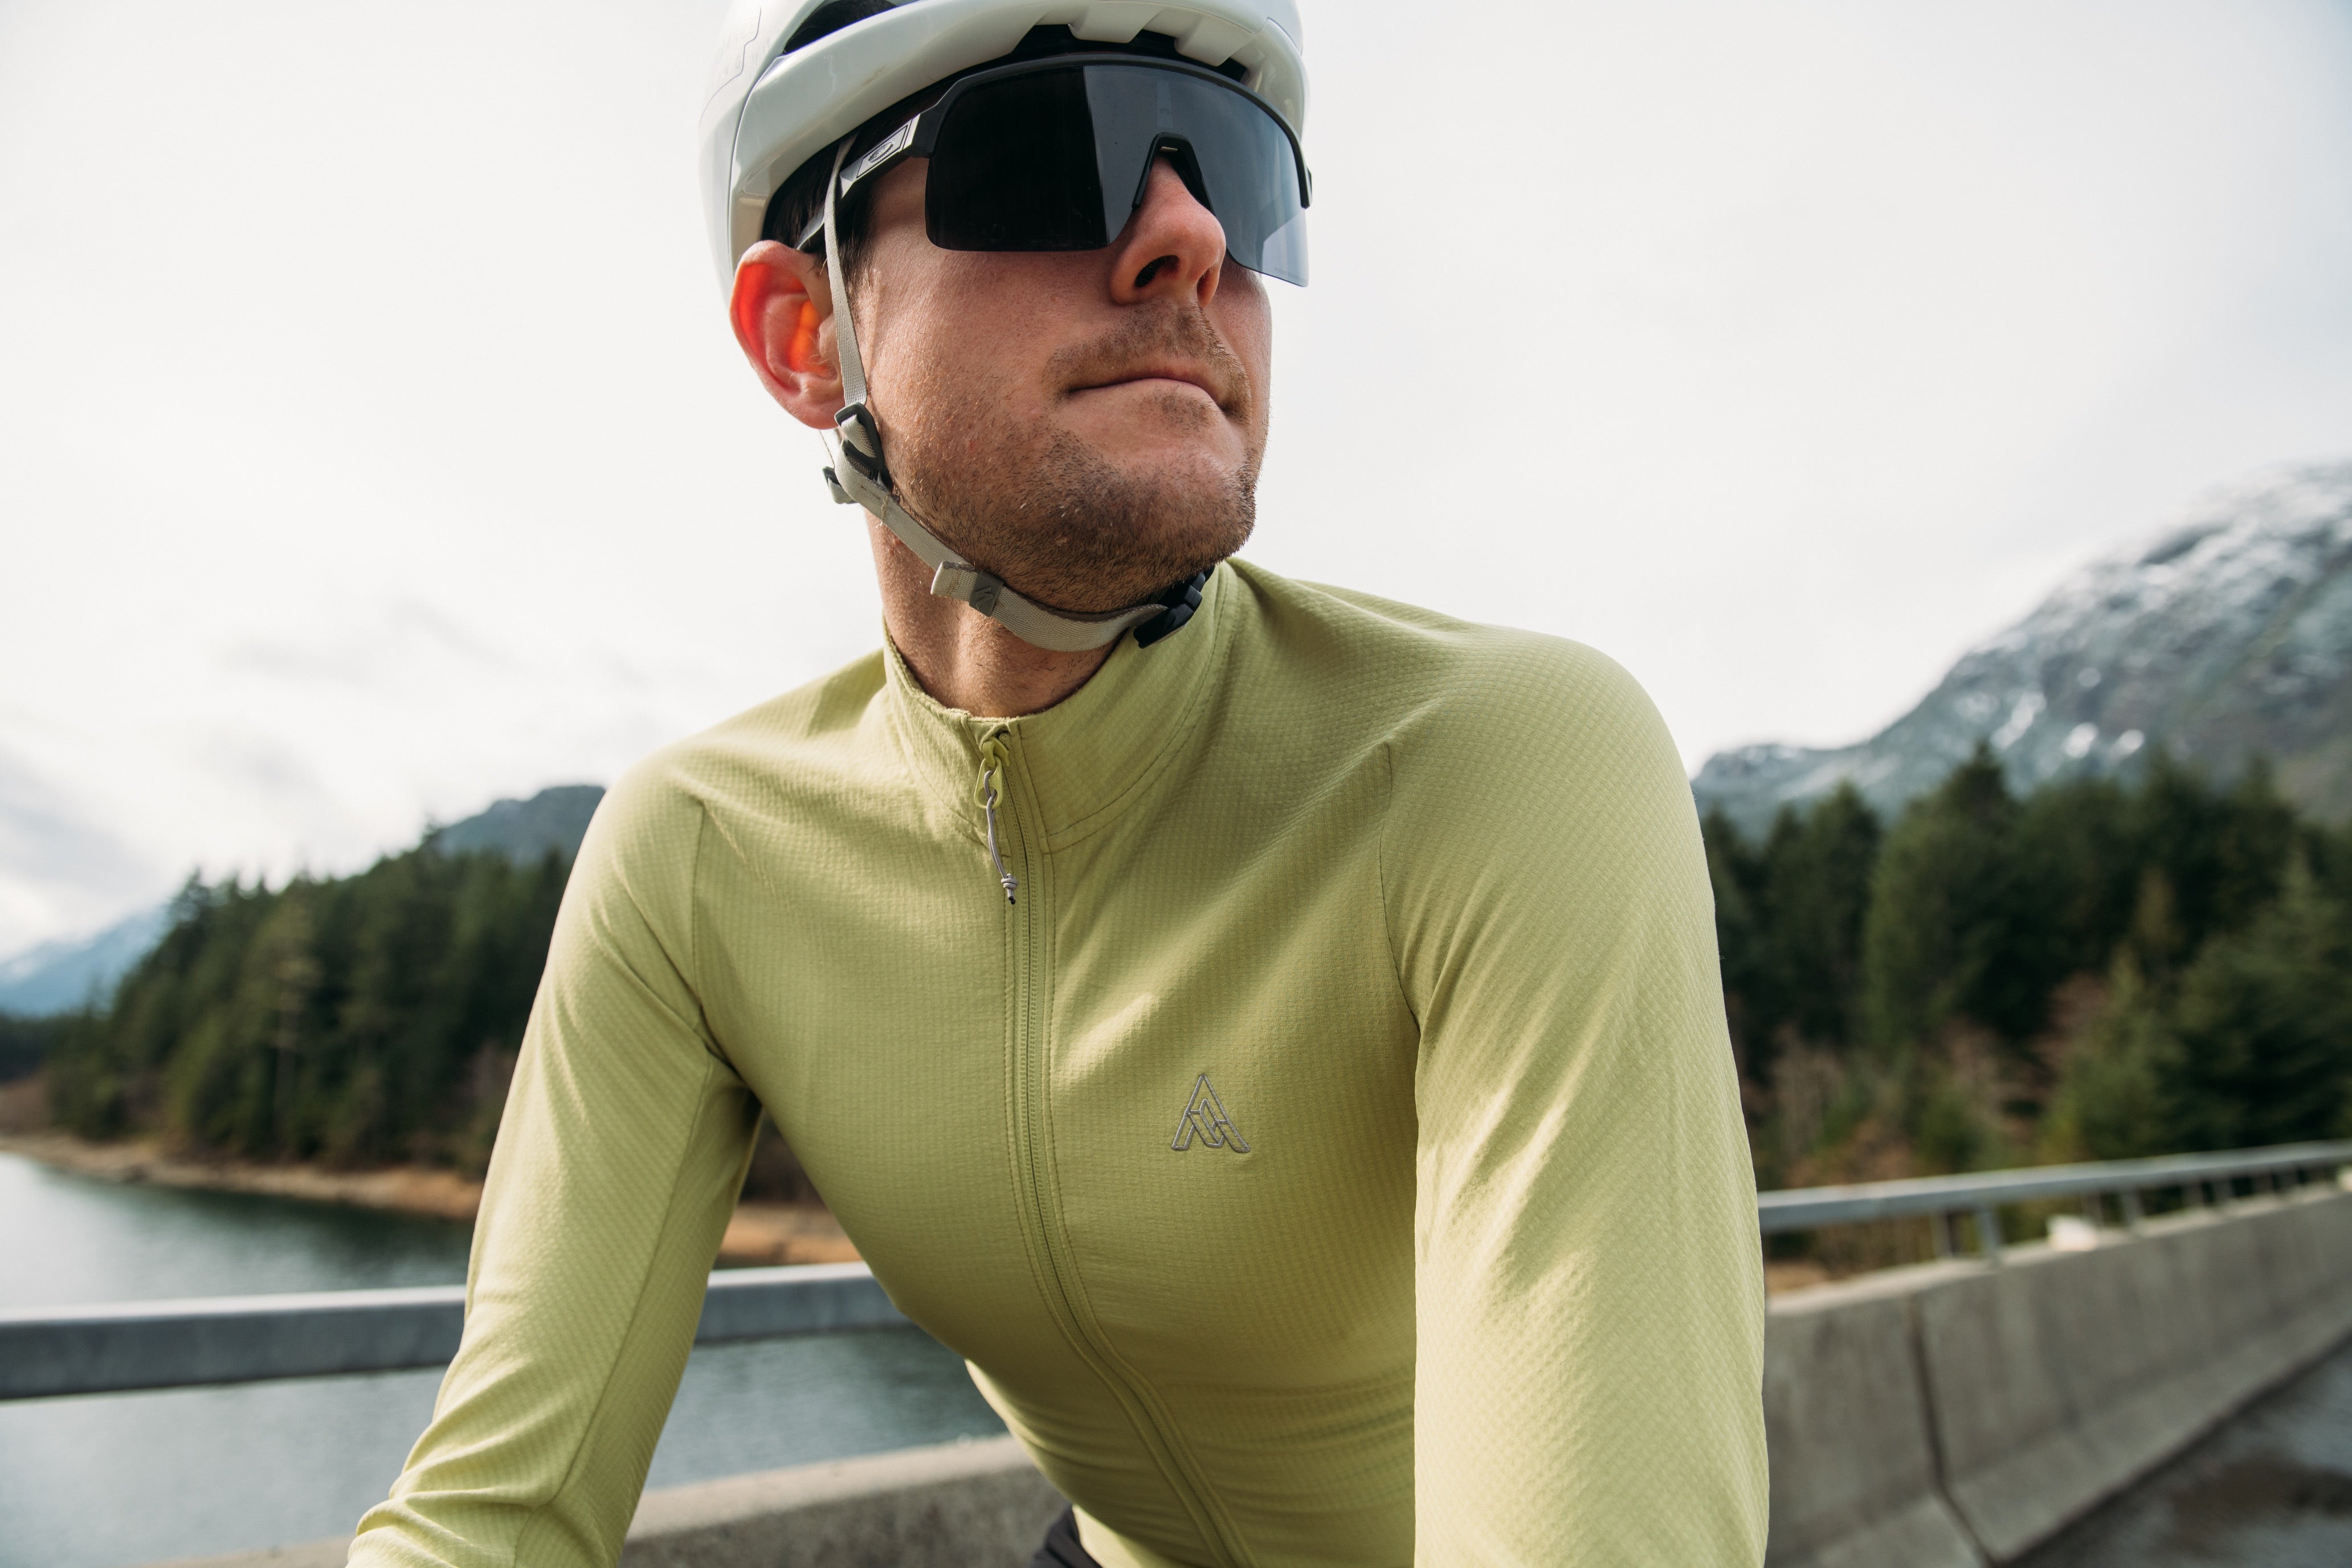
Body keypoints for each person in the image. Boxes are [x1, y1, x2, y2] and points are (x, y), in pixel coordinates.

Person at [349, 1, 1768, 1563]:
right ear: (804, 335)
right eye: (1048, 147)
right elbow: (489, 1519)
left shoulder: (1500, 765)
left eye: (1238, 172)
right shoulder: (697, 857)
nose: (1189, 237)